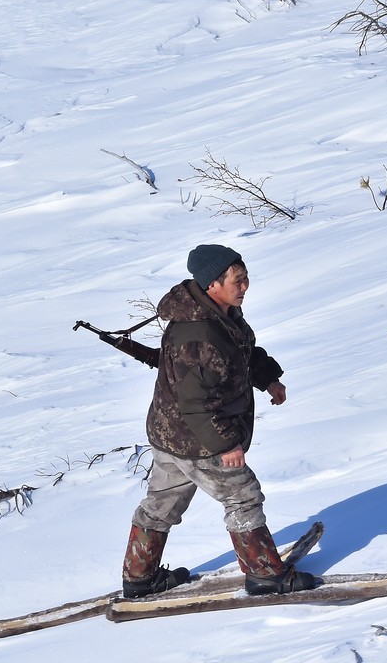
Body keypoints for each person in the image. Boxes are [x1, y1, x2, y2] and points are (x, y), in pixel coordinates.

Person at [100, 244, 319, 598]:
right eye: (238, 280)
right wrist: (225, 445)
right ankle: (265, 575)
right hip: (198, 438)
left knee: (162, 503)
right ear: (212, 284)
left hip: (170, 434)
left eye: (246, 278)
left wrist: (268, 379)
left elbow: (240, 355)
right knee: (242, 497)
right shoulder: (200, 333)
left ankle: (139, 578)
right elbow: (197, 403)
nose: (245, 286)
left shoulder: (217, 315)